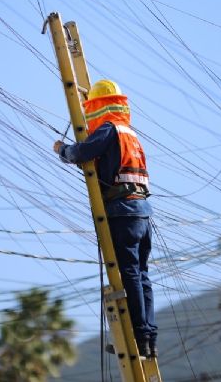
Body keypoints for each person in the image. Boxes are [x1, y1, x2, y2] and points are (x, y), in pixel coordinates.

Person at [53, 79, 157, 358]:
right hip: (143, 213)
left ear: (98, 106)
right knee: (142, 274)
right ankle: (148, 339)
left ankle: (136, 335)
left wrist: (62, 150)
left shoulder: (110, 129)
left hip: (122, 211)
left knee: (130, 273)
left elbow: (81, 152)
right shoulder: (131, 134)